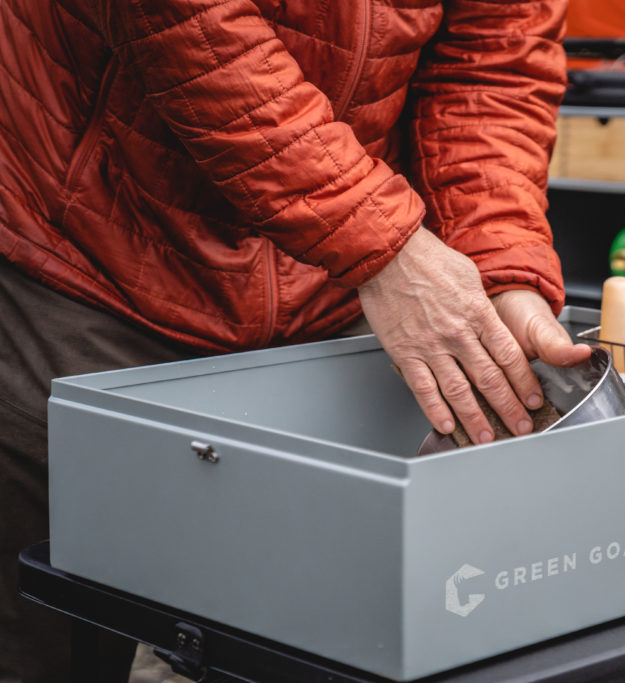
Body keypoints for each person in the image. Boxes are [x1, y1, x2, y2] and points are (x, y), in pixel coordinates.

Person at [0, 0, 591, 679]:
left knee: (310, 630)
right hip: (89, 253)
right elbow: (191, 25)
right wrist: (383, 248)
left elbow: (496, 57)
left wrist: (499, 262)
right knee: (49, 622)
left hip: (328, 285)